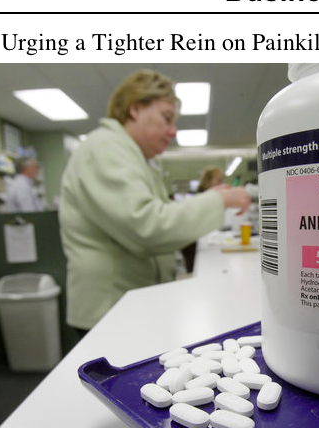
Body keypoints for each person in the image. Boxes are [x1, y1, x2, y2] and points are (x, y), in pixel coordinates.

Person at [58, 70, 251, 331]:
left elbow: (161, 213)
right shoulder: (105, 147)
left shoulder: (134, 157)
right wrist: (218, 200)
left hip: (128, 305)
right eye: (166, 118)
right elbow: (148, 226)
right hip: (110, 313)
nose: (173, 131)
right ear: (135, 109)